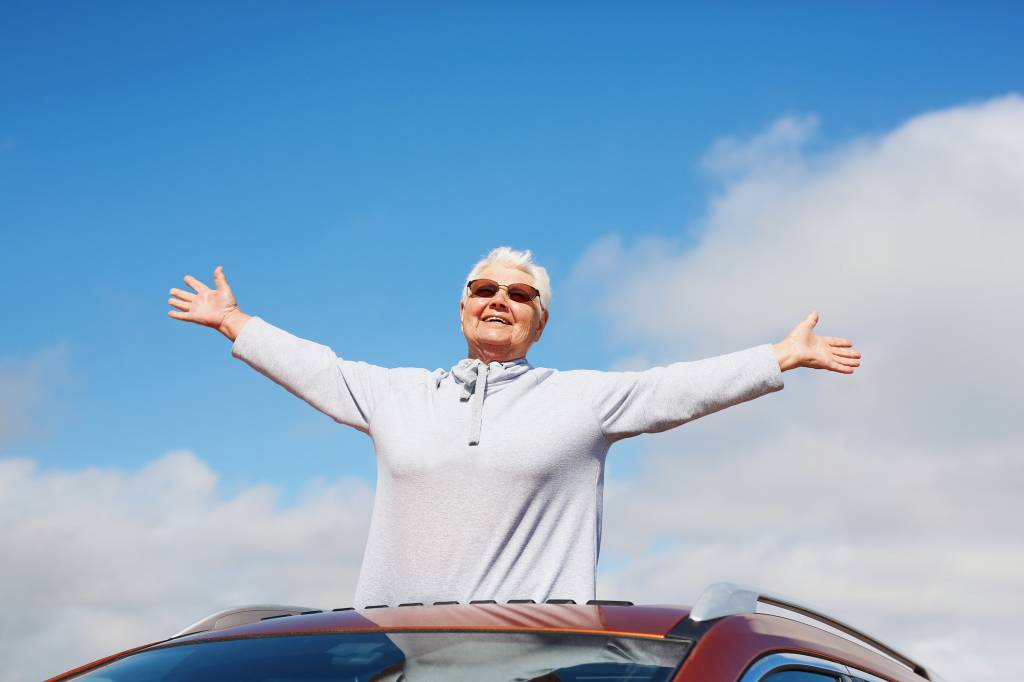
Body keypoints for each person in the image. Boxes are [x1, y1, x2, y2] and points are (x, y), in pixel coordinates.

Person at [168, 247, 860, 607]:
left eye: (520, 294)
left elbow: (674, 388)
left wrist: (778, 356)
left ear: (540, 320)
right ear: (463, 307)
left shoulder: (582, 400)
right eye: (484, 289)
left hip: (530, 654)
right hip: (398, 652)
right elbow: (317, 368)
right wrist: (233, 320)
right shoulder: (398, 395)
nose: (500, 299)